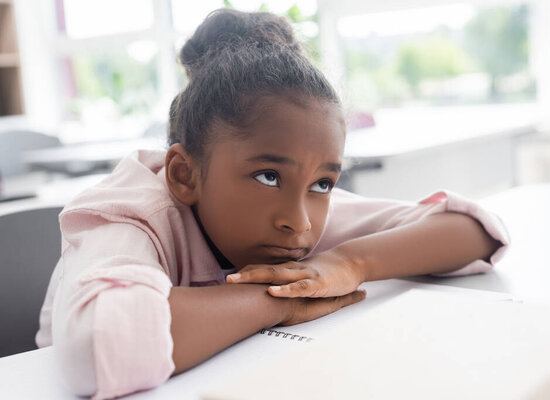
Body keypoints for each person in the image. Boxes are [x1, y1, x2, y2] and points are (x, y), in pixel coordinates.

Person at [35, 8, 509, 400]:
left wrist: (348, 262)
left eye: (323, 183)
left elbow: (472, 230)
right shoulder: (131, 215)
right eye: (268, 176)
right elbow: (103, 346)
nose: (299, 222)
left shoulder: (290, 205)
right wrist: (282, 301)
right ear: (184, 175)